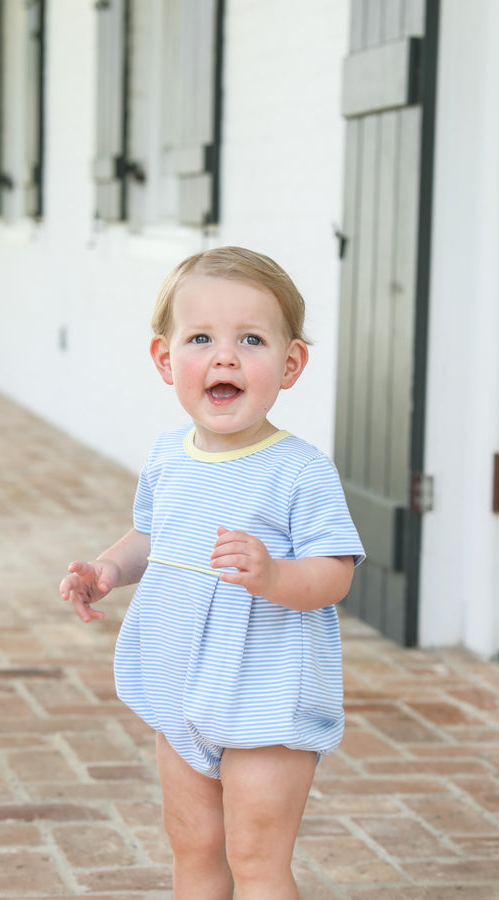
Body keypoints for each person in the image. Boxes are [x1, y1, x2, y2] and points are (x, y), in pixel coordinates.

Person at [60, 246, 364, 899]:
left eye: (250, 339)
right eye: (201, 338)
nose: (225, 356)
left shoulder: (298, 470)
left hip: (265, 702)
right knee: (193, 847)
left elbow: (334, 573)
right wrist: (110, 567)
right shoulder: (169, 455)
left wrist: (273, 577)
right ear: (167, 359)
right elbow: (152, 533)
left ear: (290, 364)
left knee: (255, 858)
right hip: (183, 696)